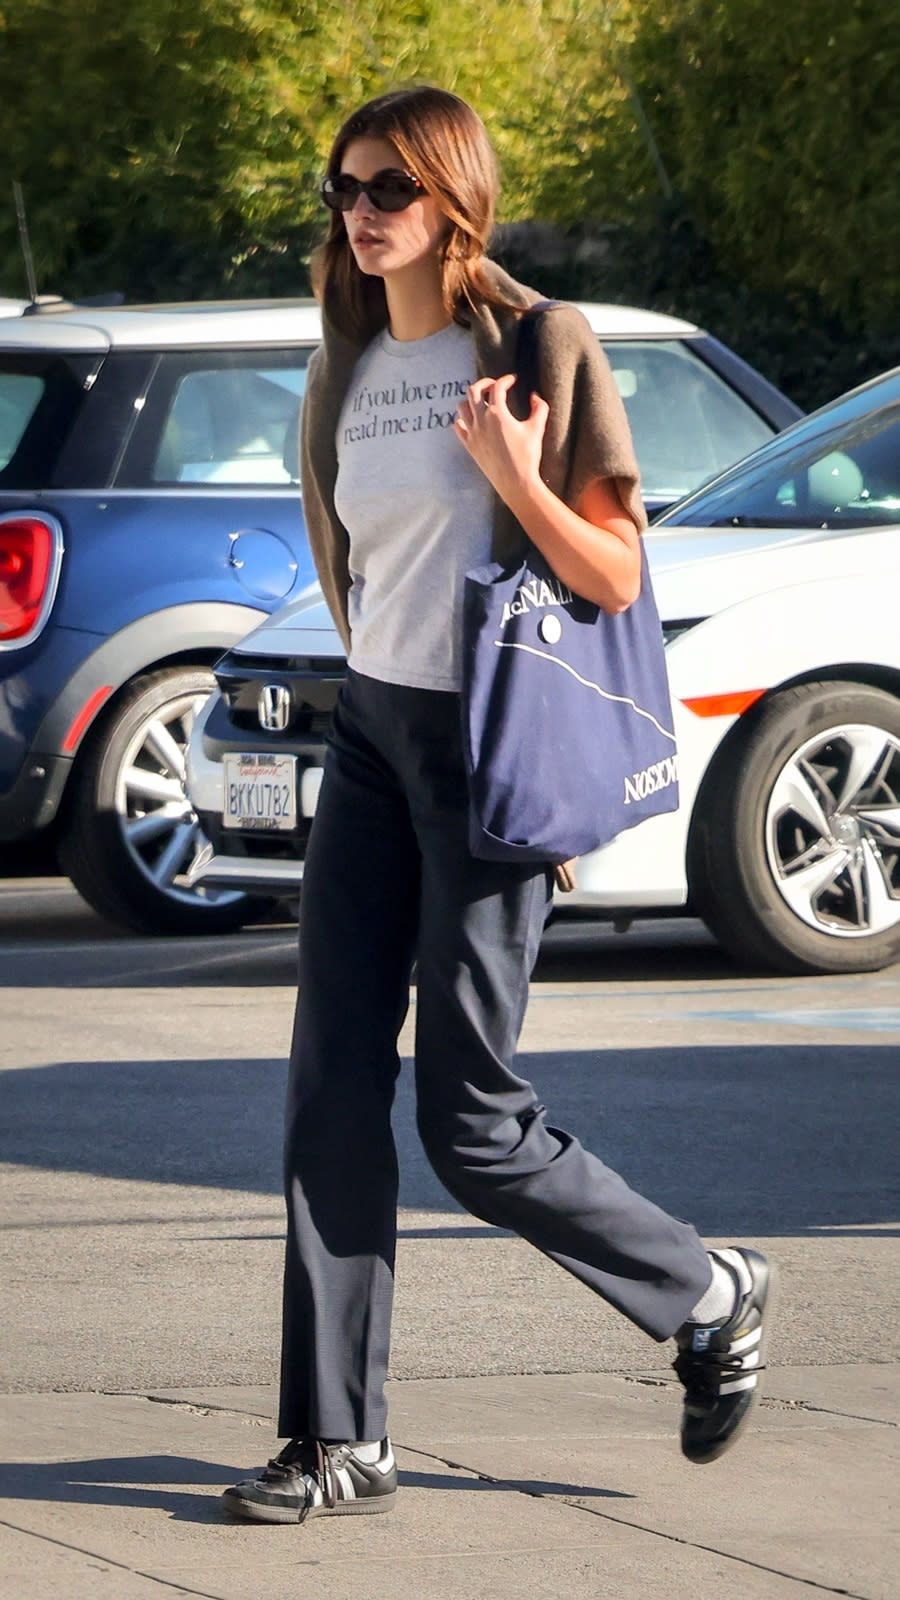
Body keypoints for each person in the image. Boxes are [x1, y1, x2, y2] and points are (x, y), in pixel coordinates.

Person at [222, 85, 777, 1525]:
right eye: (341, 186)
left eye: (389, 188)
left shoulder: (538, 344)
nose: (359, 211)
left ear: (453, 197)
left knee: (471, 1121)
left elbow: (609, 573)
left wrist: (518, 478)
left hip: (484, 750)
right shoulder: (346, 356)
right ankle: (338, 1436)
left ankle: (705, 1288)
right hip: (372, 736)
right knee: (328, 1086)